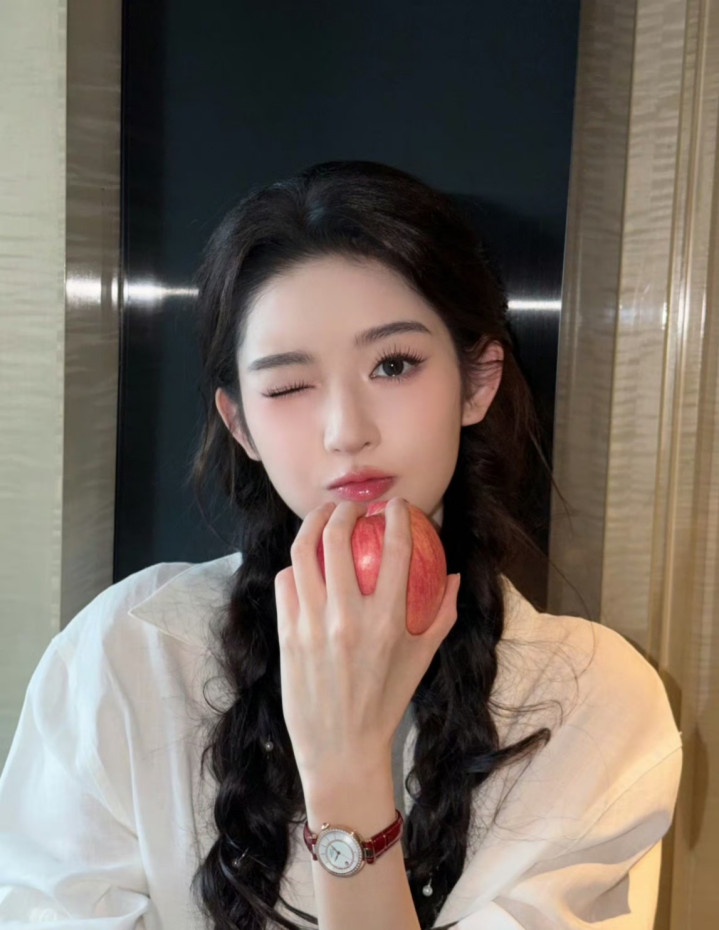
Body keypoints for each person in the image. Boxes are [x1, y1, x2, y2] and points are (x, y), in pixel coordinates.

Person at [0, 160, 682, 930]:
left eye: (393, 365)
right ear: (240, 425)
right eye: (290, 385)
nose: (345, 430)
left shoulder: (591, 703)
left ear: (476, 382)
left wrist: (347, 770)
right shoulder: (129, 653)